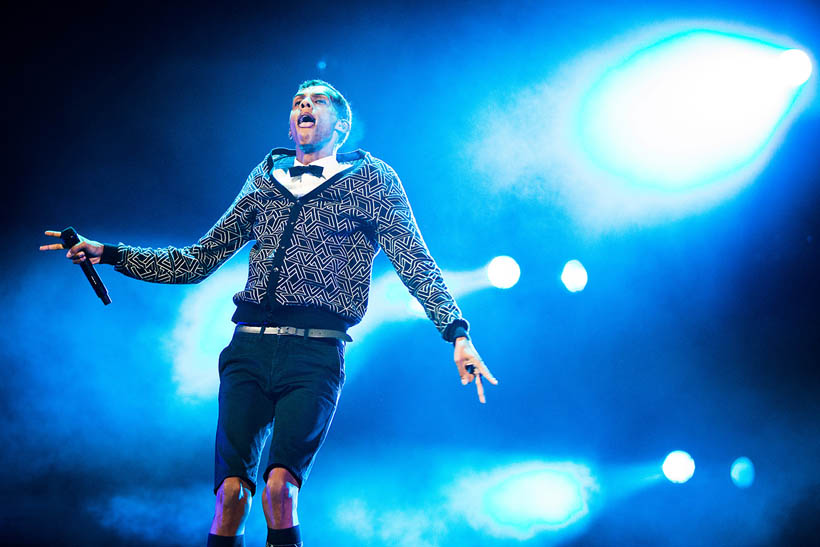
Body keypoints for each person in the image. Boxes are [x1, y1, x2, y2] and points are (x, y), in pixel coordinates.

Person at [40, 79, 497, 547]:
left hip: (314, 355)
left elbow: (415, 261)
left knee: (280, 491)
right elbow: (197, 261)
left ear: (341, 125)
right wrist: (108, 253)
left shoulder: (374, 180)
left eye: (317, 101)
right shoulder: (265, 177)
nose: (304, 105)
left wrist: (456, 332)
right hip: (249, 349)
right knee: (232, 496)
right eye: (298, 101)